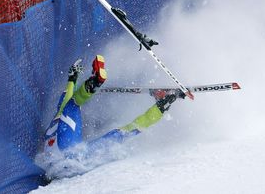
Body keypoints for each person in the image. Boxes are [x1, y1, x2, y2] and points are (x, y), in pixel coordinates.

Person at [41, 55, 184, 166]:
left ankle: (162, 105)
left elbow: (67, 96)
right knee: (72, 104)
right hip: (64, 148)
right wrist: (72, 77)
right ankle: (95, 82)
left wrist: (72, 78)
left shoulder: (56, 127)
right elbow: (67, 97)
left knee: (123, 133)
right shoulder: (60, 117)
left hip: (76, 161)